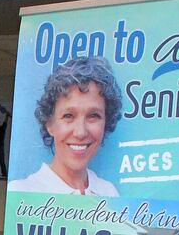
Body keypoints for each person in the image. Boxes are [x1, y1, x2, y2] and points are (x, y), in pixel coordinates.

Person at [8, 56, 122, 196]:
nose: (80, 132)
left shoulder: (109, 192)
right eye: (68, 116)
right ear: (49, 124)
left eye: (93, 116)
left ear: (106, 123)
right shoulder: (22, 193)